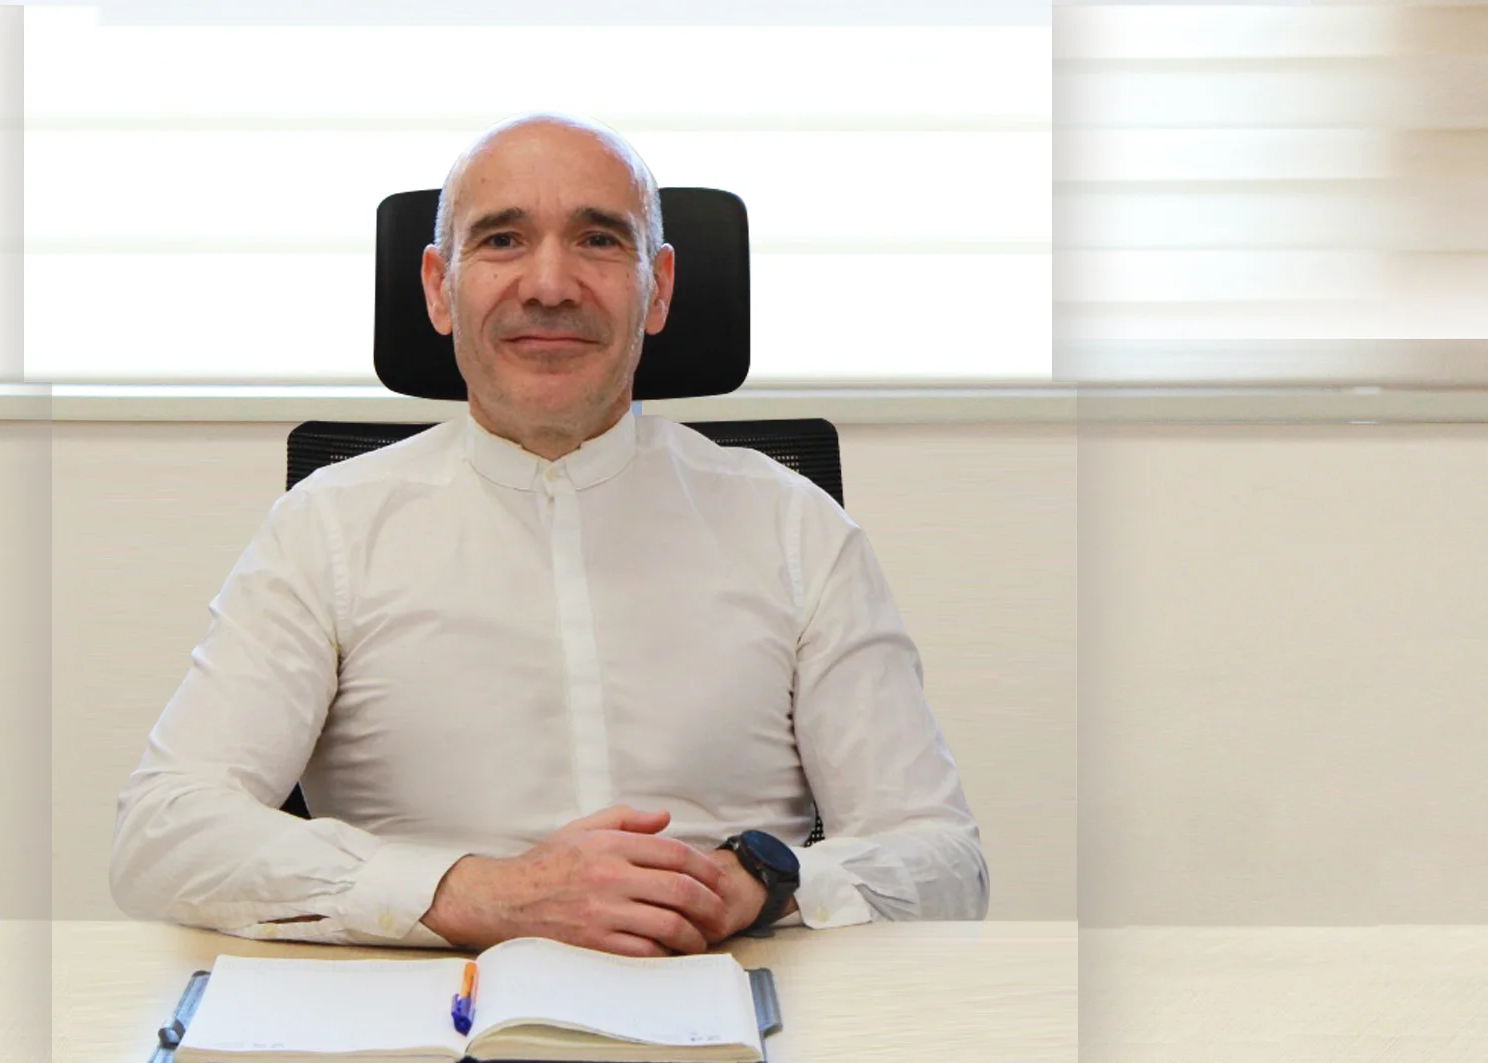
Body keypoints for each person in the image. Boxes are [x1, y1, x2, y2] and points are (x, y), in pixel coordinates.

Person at [111, 114, 988, 957]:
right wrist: (478, 894)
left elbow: (944, 857)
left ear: (659, 288)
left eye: (599, 239)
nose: (550, 285)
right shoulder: (328, 526)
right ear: (438, 288)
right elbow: (162, 834)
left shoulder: (796, 524)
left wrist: (754, 884)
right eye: (502, 239)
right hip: (425, 1004)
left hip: (734, 991)